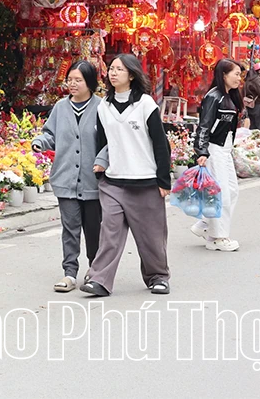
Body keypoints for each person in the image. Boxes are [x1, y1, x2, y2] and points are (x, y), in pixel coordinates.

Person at [81, 54, 172, 297]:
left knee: (151, 237)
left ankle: (158, 277)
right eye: (111, 69)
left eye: (119, 69)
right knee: (109, 233)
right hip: (113, 183)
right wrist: (101, 165)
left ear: (131, 74)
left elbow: (160, 143)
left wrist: (163, 180)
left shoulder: (145, 104)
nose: (113, 73)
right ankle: (99, 279)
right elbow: (103, 142)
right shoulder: (104, 106)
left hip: (146, 183)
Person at [32, 60, 103, 293]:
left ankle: (95, 271)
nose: (72, 84)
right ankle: (69, 273)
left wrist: (103, 161)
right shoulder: (61, 107)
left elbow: (111, 142)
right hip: (65, 179)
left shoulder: (102, 108)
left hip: (93, 182)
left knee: (93, 230)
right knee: (70, 228)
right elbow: (49, 134)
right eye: (70, 79)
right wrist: (40, 143)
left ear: (90, 82)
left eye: (78, 80)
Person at [191, 59, 243, 252]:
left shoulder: (230, 96)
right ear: (224, 75)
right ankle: (217, 237)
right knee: (222, 194)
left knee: (232, 190)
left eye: (240, 74)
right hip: (214, 150)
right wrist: (202, 151)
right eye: (236, 74)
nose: (239, 78)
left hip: (225, 150)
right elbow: (204, 126)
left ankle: (205, 224)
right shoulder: (214, 97)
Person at [242, 62, 260, 133]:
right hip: (258, 104)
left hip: (251, 105)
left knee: (254, 126)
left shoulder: (249, 79)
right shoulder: (256, 79)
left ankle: (255, 141)